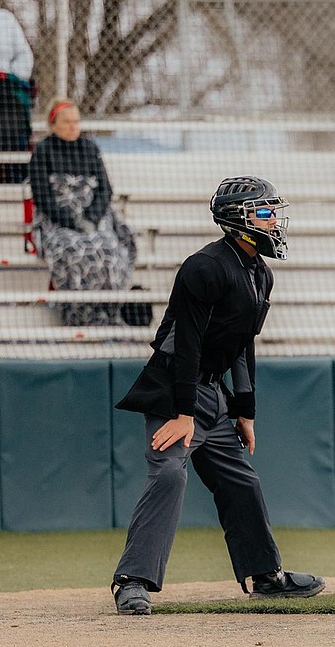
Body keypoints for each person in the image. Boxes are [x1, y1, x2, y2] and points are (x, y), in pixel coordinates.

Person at [111, 176, 321, 615]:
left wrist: (244, 411)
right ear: (238, 218)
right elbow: (185, 345)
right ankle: (131, 581)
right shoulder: (203, 267)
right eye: (264, 211)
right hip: (174, 389)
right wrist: (184, 413)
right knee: (169, 474)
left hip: (211, 394)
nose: (274, 219)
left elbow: (243, 344)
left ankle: (265, 575)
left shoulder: (260, 273)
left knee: (241, 480)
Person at [29, 99, 136, 326]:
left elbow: (105, 189)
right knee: (72, 250)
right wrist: (72, 221)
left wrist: (91, 218)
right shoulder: (42, 151)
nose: (72, 126)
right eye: (66, 122)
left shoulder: (90, 147)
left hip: (94, 219)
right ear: (53, 124)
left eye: (76, 121)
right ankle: (80, 314)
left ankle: (107, 312)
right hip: (58, 222)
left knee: (109, 251)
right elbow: (42, 197)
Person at [0, 7, 34, 183]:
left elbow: (24, 56)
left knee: (12, 127)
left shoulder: (5, 18)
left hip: (5, 86)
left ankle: (16, 176)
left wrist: (11, 77)